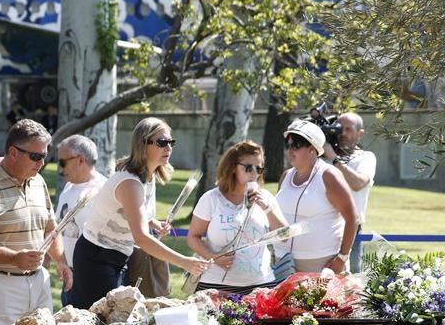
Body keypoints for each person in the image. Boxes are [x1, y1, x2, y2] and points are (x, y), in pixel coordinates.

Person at [71, 117, 209, 309]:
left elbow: (134, 212)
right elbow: (142, 238)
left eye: (171, 142)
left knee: (119, 323)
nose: (168, 147)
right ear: (142, 145)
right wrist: (184, 261)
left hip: (120, 257)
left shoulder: (148, 176)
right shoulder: (131, 184)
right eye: (162, 142)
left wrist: (152, 222)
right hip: (96, 259)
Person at [0, 118, 73, 325]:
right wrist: (14, 258)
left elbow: (49, 226)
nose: (42, 163)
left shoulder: (38, 182)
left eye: (45, 156)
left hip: (38, 282)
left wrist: (60, 259)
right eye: (36, 156)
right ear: (13, 152)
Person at [187, 141, 288, 294]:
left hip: (260, 285)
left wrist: (267, 208)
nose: (254, 173)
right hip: (215, 285)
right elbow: (193, 237)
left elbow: (285, 236)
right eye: (248, 168)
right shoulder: (212, 199)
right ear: (233, 167)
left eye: (258, 168)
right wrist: (214, 258)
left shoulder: (266, 198)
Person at [275, 119, 358, 274]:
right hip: (284, 263)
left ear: (313, 148)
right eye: (288, 145)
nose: (290, 151)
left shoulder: (329, 175)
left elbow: (353, 218)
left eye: (296, 145)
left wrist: (342, 258)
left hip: (323, 266)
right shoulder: (285, 176)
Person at [56, 135, 107, 305]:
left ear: (80, 160)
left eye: (63, 162)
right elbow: (58, 228)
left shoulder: (104, 190)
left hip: (94, 276)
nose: (60, 169)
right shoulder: (69, 185)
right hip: (69, 274)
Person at [321, 112, 376, 273]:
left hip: (351, 230)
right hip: (324, 227)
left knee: (351, 281)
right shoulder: (323, 157)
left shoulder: (366, 157)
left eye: (348, 129)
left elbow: (358, 183)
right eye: (339, 129)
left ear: (360, 134)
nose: (342, 134)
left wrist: (334, 160)